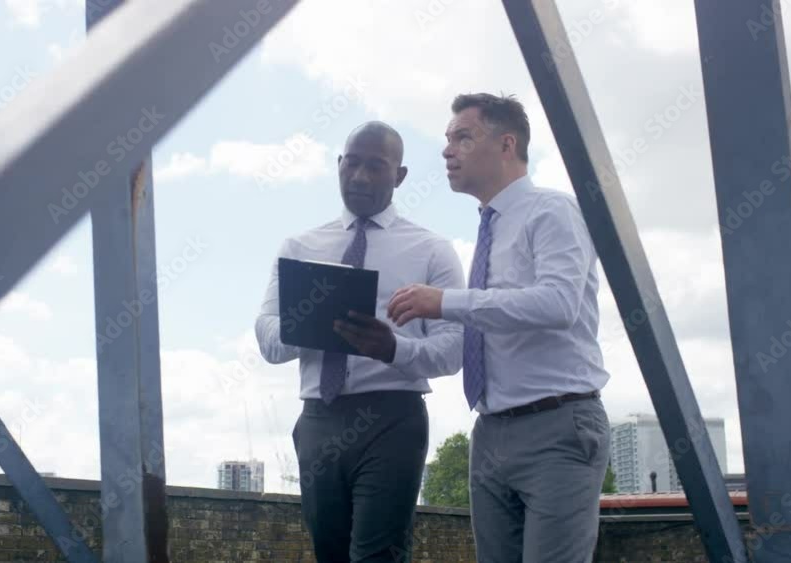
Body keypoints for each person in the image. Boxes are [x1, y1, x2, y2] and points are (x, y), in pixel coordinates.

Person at [387, 93, 611, 562]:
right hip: (490, 431)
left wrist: (445, 302)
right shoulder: (490, 227)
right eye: (448, 139)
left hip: (558, 426)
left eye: (463, 138)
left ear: (507, 144)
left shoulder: (553, 211)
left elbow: (559, 303)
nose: (447, 150)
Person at [255, 121, 465, 562]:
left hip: (393, 417)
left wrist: (393, 349)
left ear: (400, 176)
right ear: (338, 165)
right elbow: (269, 339)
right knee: (329, 554)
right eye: (351, 163)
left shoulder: (432, 250)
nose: (361, 177)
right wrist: (314, 325)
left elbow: (453, 351)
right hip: (319, 418)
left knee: (377, 556)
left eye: (376, 166)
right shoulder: (299, 246)